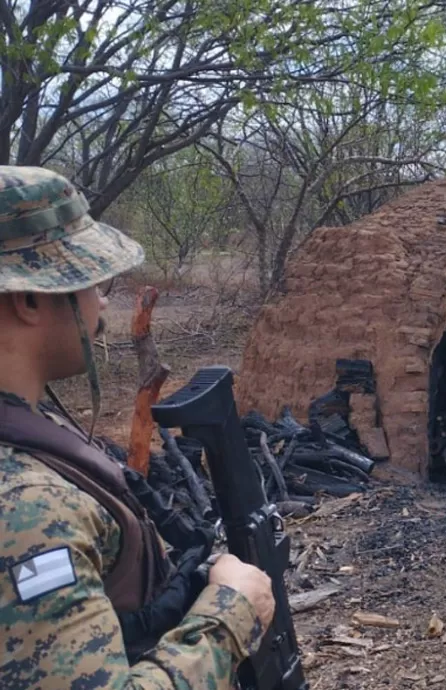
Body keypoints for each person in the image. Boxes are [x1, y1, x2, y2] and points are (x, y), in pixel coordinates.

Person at [0, 165, 276, 689]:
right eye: (91, 281)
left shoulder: (31, 425)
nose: (102, 300)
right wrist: (229, 617)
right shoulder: (27, 505)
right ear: (30, 298)